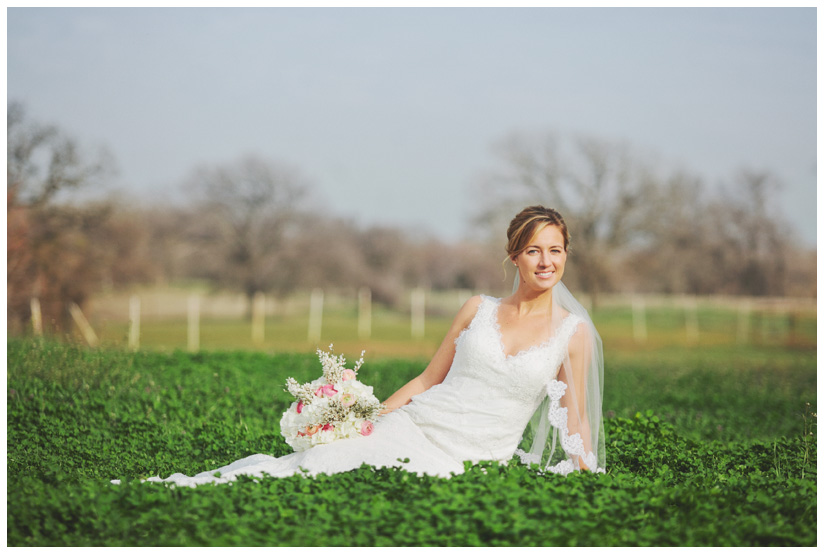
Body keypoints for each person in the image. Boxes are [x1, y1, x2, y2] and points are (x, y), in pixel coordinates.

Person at [125, 206, 605, 487]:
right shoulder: (476, 309)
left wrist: (585, 478)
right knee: (318, 464)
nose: (546, 261)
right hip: (416, 426)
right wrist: (371, 417)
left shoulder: (572, 333)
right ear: (514, 255)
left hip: (473, 459)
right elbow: (426, 379)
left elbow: (578, 417)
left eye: (555, 250)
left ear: (566, 255)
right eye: (534, 250)